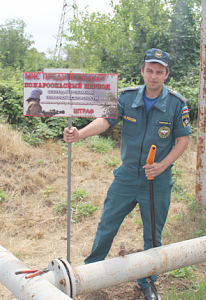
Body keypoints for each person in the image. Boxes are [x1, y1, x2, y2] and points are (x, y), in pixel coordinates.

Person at [63, 48, 192, 300]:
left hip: (157, 181)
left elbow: (182, 141)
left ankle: (147, 282)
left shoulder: (177, 103)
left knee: (153, 233)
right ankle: (91, 276)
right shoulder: (125, 97)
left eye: (159, 71)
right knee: (106, 224)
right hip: (126, 177)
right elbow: (104, 120)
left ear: (166, 74)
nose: (153, 75)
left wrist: (163, 165)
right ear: (143, 71)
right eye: (149, 70)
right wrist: (79, 134)